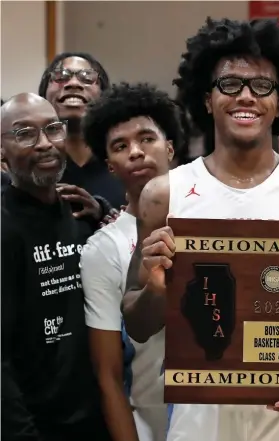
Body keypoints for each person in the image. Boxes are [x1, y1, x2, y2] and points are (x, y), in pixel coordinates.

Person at [123, 17, 279, 441]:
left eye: (262, 86)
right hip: (200, 420)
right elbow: (138, 323)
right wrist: (159, 287)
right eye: (230, 85)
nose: (246, 96)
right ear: (207, 98)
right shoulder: (164, 194)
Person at [1, 93, 110, 441]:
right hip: (38, 426)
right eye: (24, 134)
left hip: (98, 417)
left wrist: (104, 213)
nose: (45, 144)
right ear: (1, 151)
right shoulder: (5, 229)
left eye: (52, 129)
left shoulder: (81, 212)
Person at [80, 82, 178, 441]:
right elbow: (108, 376)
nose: (135, 152)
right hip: (152, 421)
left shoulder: (218, 218)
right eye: (121, 147)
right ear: (110, 165)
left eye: (146, 139)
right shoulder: (103, 249)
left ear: (169, 147)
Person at [38, 51, 127, 207]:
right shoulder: (27, 166)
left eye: (87, 77)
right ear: (44, 93)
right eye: (61, 76)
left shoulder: (125, 165)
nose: (73, 83)